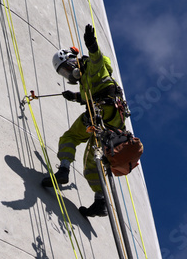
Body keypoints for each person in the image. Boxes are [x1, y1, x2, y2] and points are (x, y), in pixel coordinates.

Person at [43, 24, 126, 218]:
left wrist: (92, 43)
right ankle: (100, 202)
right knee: (91, 163)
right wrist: (75, 97)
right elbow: (91, 93)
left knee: (70, 136)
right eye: (63, 73)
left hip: (101, 111)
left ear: (71, 60)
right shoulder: (85, 80)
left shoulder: (91, 65)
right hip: (112, 122)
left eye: (65, 68)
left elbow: (96, 57)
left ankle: (63, 170)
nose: (67, 74)